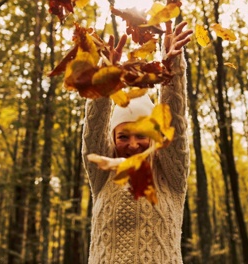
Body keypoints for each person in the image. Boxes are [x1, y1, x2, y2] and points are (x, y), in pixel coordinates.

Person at [82, 21, 193, 263]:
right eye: (123, 136)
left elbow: (175, 120)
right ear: (112, 138)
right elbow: (93, 131)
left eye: (141, 135)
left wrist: (171, 70)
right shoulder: (103, 172)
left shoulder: (169, 172)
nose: (133, 144)